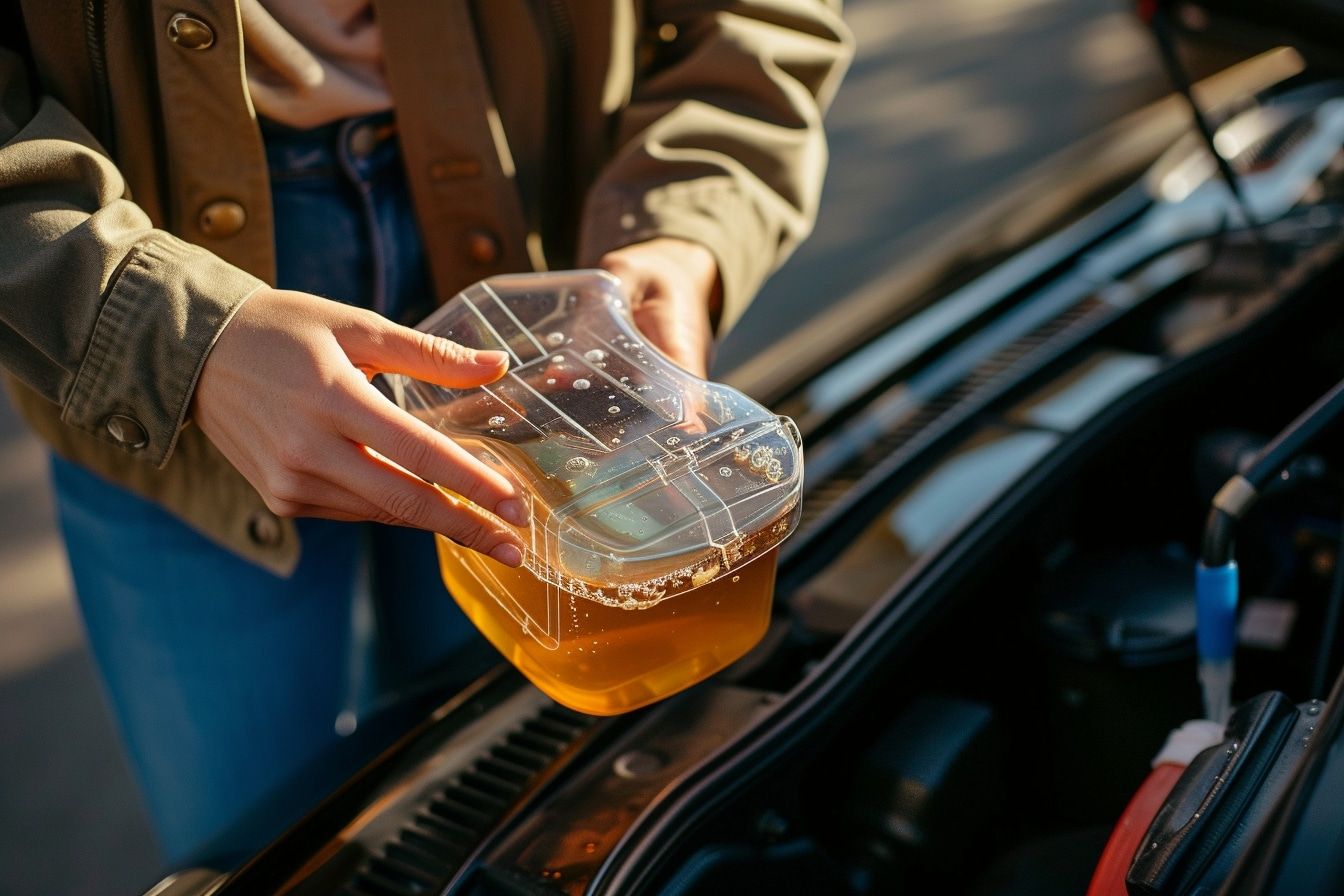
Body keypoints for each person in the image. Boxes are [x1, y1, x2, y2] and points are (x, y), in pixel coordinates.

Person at [0, 0, 852, 867]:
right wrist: (173, 335)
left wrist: (681, 228)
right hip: (152, 306)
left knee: (510, 807)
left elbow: (767, 21)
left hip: (537, 284)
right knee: (263, 851)